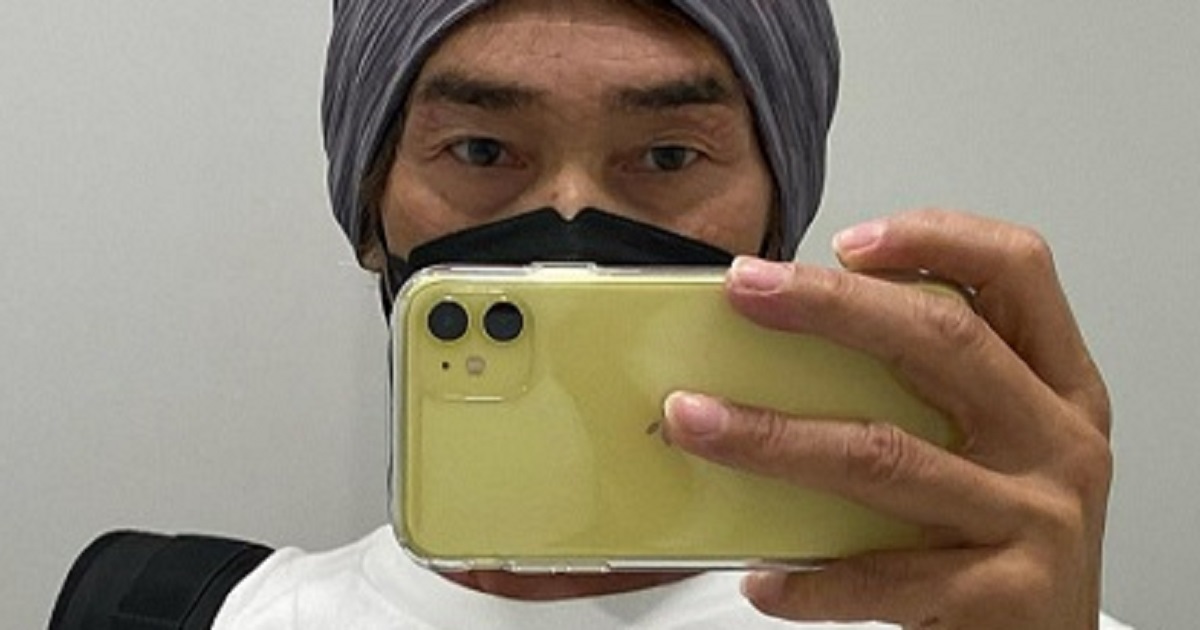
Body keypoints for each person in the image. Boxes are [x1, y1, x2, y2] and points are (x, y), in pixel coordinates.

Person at [55, 1, 1131, 628]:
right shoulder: (172, 611)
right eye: (481, 149)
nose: (570, 222)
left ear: (778, 216)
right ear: (370, 209)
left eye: (667, 156)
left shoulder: (988, 614)